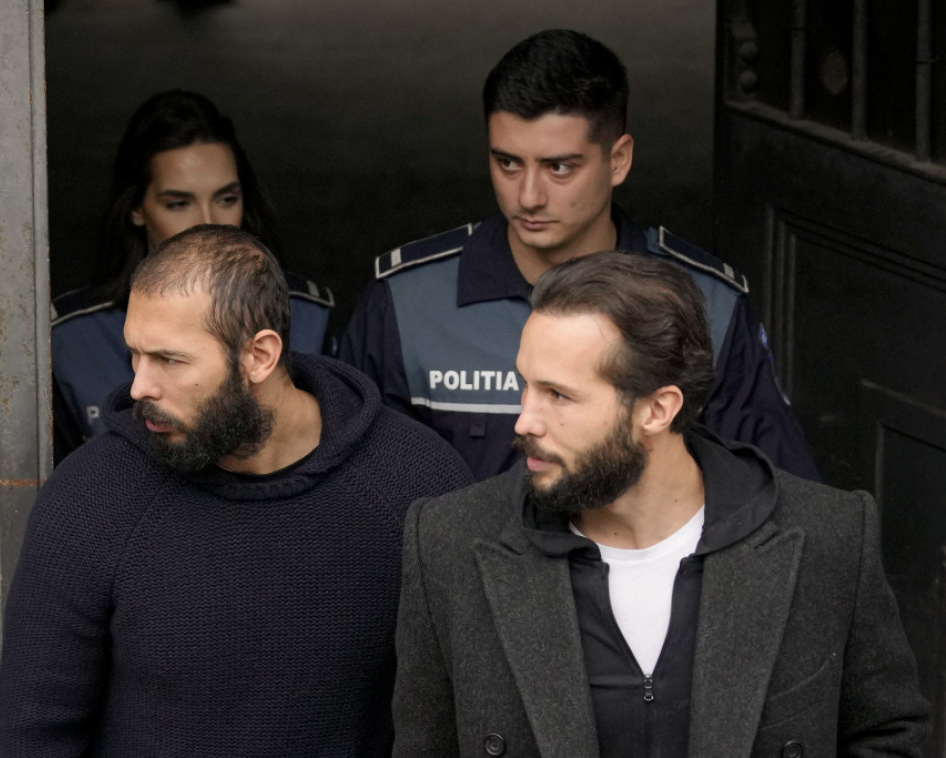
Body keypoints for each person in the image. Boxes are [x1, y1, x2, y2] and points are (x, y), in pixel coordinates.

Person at [392, 250, 928, 757]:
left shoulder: (828, 537)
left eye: (558, 395)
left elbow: (885, 735)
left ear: (657, 409)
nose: (525, 420)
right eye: (525, 386)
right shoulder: (450, 543)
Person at [0, 225, 473, 756]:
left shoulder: (414, 483)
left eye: (169, 360)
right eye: (135, 354)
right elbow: (34, 733)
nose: (139, 387)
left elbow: (462, 710)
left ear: (259, 356)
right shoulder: (92, 496)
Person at [341, 29, 820, 482]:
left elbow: (775, 492)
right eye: (508, 163)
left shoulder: (710, 307)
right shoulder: (406, 306)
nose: (528, 196)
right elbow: (350, 493)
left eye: (559, 168)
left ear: (618, 160)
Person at [52, 89, 335, 463]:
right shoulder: (71, 338)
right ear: (136, 209)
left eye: (226, 199)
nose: (208, 222)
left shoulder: (309, 316)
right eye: (179, 204)